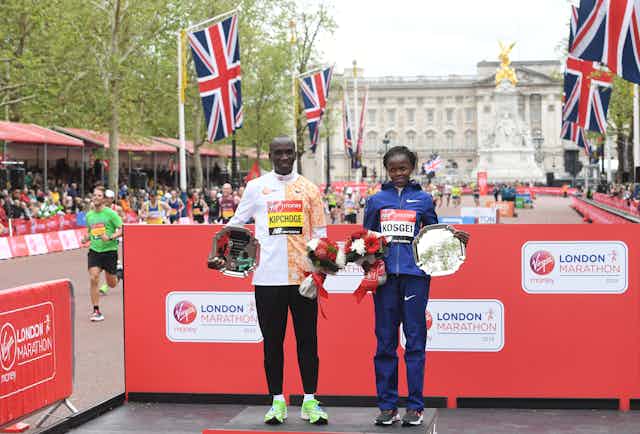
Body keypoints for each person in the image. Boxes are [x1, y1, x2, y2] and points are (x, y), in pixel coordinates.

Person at [210, 136, 329, 425]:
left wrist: (318, 272)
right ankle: (277, 402)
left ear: (296, 154)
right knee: (272, 343)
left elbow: (321, 236)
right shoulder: (255, 187)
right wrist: (219, 254)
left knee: (307, 342)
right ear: (270, 154)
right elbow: (235, 226)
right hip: (266, 280)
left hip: (303, 279)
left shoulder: (310, 190)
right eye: (279, 152)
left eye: (289, 152)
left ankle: (310, 402)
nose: (284, 157)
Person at [363, 146, 469, 426]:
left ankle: (415, 406)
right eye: (393, 169)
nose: (398, 174)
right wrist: (367, 261)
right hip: (385, 280)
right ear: (386, 170)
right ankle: (387, 406)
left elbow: (433, 237)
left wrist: (453, 240)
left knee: (415, 343)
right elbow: (366, 239)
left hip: (415, 278)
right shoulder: (376, 201)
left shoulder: (423, 200)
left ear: (412, 168)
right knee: (385, 343)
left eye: (403, 168)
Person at [81, 187, 123, 321]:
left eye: (99, 196)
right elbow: (91, 231)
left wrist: (110, 237)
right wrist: (86, 238)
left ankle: (119, 274)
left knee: (112, 284)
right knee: (94, 278)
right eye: (94, 195)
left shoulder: (111, 214)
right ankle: (96, 311)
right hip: (95, 251)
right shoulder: (89, 215)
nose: (96, 197)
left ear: (104, 199)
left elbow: (122, 229)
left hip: (110, 252)